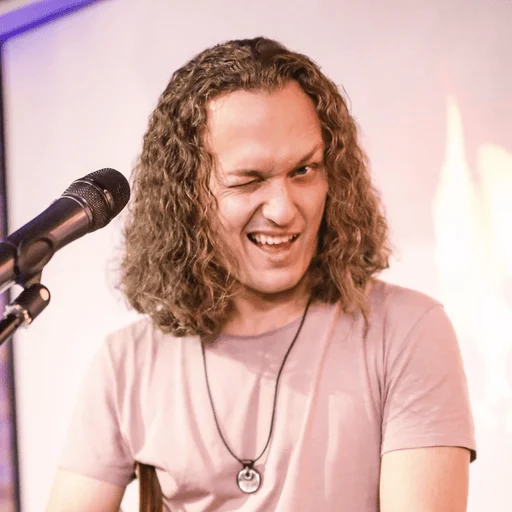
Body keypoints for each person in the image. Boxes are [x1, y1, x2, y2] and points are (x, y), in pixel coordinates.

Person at [46, 37, 476, 511]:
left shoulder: (408, 331)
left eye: (304, 170)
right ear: (186, 197)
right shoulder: (126, 363)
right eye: (249, 180)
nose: (283, 209)